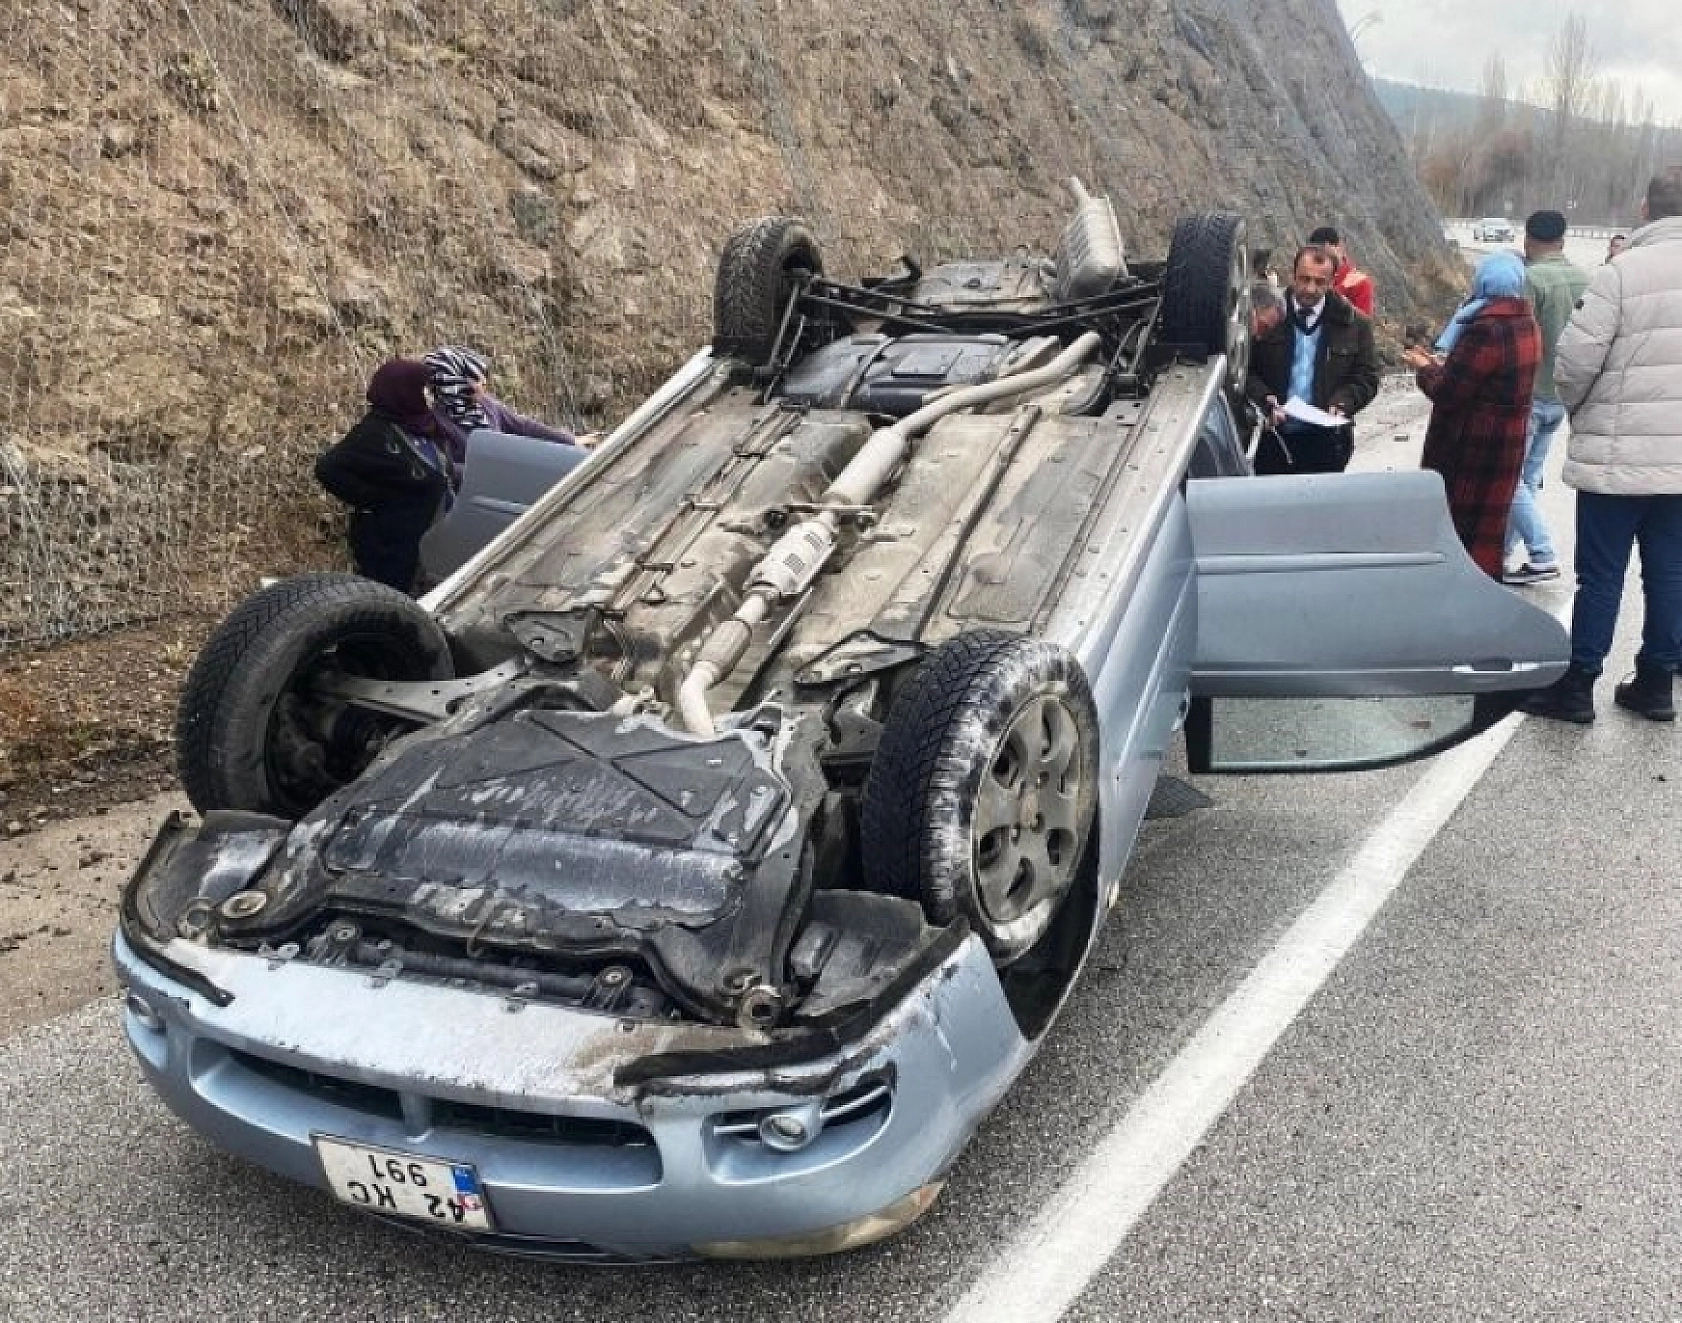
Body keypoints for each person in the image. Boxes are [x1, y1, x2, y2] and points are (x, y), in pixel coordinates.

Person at [1522, 172, 1682, 724]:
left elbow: (1573, 362)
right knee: (1669, 574)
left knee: (1602, 575)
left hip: (1616, 461)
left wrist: (1581, 409)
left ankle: (1578, 684)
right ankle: (1658, 683)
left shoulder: (1620, 274)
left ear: (1645, 209)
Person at [1400, 251, 1540, 578]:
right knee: (1487, 534)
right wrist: (1439, 367)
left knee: (1462, 539)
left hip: (1473, 449)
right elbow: (1482, 379)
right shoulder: (1525, 323)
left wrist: (1424, 369)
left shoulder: (1486, 329)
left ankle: (1460, 613)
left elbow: (1449, 392)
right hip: (1506, 444)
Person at [1503, 210, 1590, 585]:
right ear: (1563, 239)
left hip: (1529, 393)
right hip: (1562, 395)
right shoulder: (1585, 279)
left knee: (1509, 477)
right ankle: (1505, 552)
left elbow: (1519, 339)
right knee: (1529, 477)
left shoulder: (1530, 280)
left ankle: (1541, 552)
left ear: (1527, 238)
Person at [314, 359, 453, 594]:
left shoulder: (424, 427)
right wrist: (378, 499)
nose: (430, 395)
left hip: (430, 541)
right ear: (404, 390)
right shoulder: (376, 433)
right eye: (424, 388)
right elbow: (328, 468)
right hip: (393, 547)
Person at [1245, 244, 1381, 474]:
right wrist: (1264, 398)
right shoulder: (1265, 315)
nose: (1310, 288)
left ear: (1332, 281)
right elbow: (1242, 369)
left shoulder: (1356, 325)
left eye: (1320, 282)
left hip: (1328, 445)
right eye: (1304, 279)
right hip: (1273, 440)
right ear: (1292, 275)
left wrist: (1343, 403)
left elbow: (1366, 376)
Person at [424, 344, 591, 479]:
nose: (483, 381)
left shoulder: (485, 405)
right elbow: (448, 471)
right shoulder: (437, 425)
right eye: (475, 377)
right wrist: (490, 473)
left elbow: (523, 426)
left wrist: (570, 441)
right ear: (453, 384)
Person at [1306, 224, 1375, 316]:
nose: (1324, 258)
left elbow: (1364, 324)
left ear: (1339, 247)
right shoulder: (1311, 277)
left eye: (1326, 252)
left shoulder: (1360, 283)